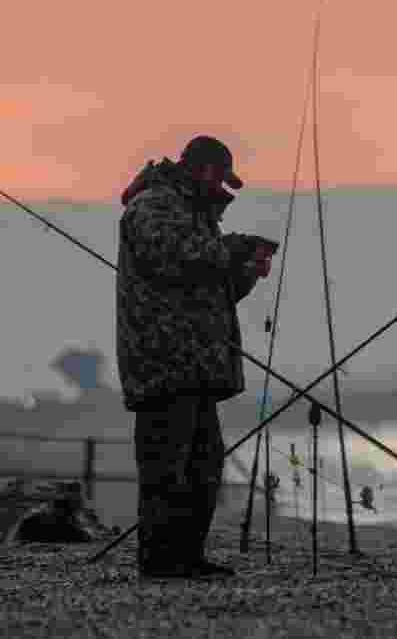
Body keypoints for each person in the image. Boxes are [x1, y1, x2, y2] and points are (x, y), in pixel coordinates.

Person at [117, 135, 276, 579]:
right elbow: (172, 258)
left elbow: (211, 287)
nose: (223, 189)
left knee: (204, 466)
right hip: (162, 364)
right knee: (167, 468)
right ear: (203, 169)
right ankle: (161, 561)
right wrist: (234, 248)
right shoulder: (153, 205)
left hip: (199, 365)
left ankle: (187, 556)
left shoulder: (194, 216)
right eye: (221, 178)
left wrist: (246, 271)